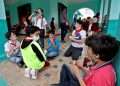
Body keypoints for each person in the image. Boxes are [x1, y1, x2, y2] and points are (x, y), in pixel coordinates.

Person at [53, 33, 119, 86]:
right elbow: (92, 75)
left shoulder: (104, 76)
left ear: (97, 55)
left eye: (89, 48)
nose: (87, 51)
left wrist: (78, 75)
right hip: (85, 82)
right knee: (65, 68)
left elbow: (96, 78)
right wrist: (82, 67)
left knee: (66, 70)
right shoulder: (102, 64)